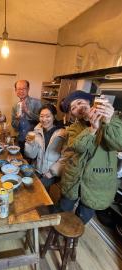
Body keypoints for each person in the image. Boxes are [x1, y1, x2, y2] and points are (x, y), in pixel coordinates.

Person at [56, 90, 122, 224]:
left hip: (97, 181)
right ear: (72, 114)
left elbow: (119, 143)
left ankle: (71, 238)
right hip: (73, 177)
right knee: (62, 208)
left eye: (80, 102)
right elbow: (78, 147)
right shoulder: (74, 128)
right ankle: (55, 231)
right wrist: (92, 128)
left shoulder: (113, 120)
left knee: (82, 217)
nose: (78, 108)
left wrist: (108, 121)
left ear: (89, 102)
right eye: (73, 108)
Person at [24, 104, 67, 191]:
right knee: (25, 183)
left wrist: (51, 172)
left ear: (54, 117)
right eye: (41, 116)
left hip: (53, 172)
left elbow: (65, 157)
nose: (44, 119)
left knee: (37, 189)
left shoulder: (62, 134)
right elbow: (31, 156)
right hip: (37, 169)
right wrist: (30, 144)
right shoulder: (36, 131)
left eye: (48, 116)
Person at [11, 80, 42, 155]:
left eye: (24, 88)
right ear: (15, 91)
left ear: (28, 89)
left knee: (31, 163)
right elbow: (13, 125)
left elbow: (42, 121)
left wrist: (27, 111)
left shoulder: (37, 102)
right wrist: (18, 120)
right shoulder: (15, 106)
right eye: (19, 89)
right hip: (21, 139)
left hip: (34, 141)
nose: (21, 91)